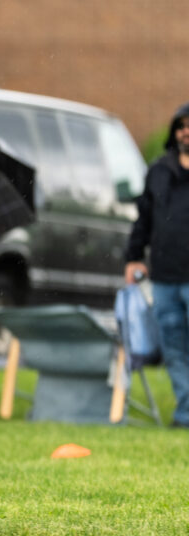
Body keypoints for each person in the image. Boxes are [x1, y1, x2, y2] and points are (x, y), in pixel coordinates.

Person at [124, 102, 189, 429]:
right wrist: (133, 257)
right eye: (181, 125)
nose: (186, 131)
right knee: (174, 349)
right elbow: (143, 220)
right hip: (164, 277)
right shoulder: (159, 171)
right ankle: (186, 414)